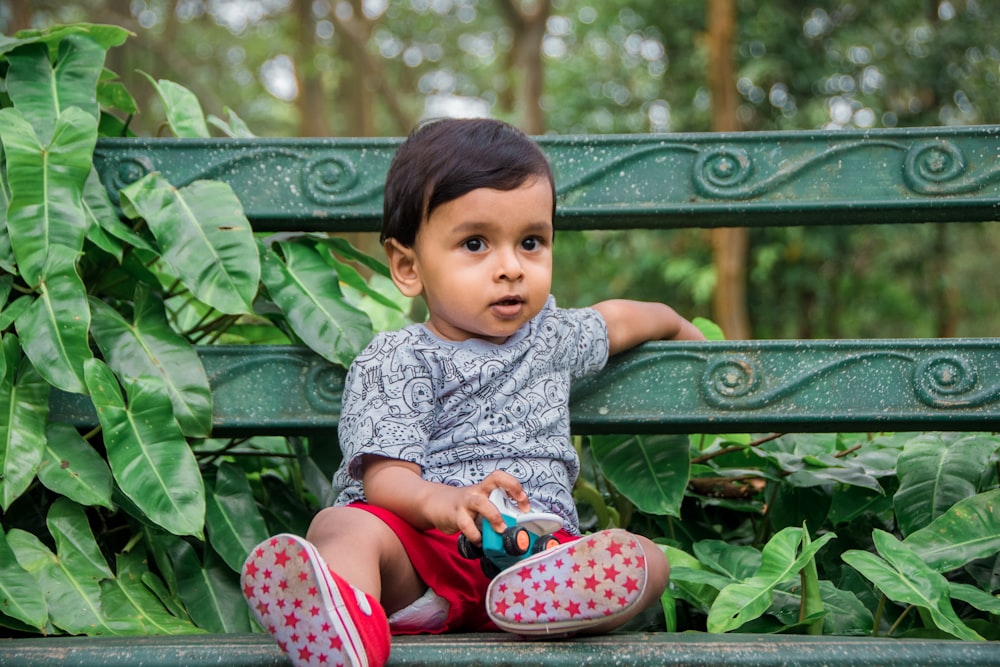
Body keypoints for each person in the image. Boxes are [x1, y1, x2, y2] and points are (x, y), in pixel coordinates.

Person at [241, 117, 706, 667]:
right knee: (342, 526)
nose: (510, 268)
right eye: (476, 244)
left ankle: (546, 608)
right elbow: (385, 477)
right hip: (423, 557)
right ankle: (345, 628)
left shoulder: (553, 336)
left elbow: (622, 319)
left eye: (531, 242)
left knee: (646, 560)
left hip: (536, 556)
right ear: (408, 266)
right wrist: (443, 503)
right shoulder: (398, 358)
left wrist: (681, 329)